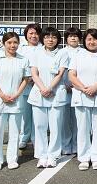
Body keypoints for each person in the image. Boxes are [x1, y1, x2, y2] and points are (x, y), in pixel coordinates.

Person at [68, 28, 97, 170]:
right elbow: (71, 75)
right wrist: (84, 89)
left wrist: (94, 88)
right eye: (89, 39)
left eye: (95, 39)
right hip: (82, 95)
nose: (92, 41)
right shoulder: (78, 55)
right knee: (83, 129)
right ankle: (83, 158)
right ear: (84, 41)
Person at [0, 32, 31, 171]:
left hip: (16, 100)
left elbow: (25, 79)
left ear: (19, 44)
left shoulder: (23, 59)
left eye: (15, 42)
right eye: (9, 42)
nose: (12, 45)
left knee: (15, 133)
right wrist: (2, 95)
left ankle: (12, 159)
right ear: (3, 44)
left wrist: (16, 94)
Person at [27, 27, 69, 168]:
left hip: (56, 93)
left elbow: (60, 74)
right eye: (47, 37)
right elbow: (34, 73)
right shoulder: (36, 53)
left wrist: (49, 88)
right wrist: (43, 89)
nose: (50, 40)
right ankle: (42, 155)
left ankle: (53, 156)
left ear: (58, 39)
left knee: (56, 126)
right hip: (39, 93)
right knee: (39, 126)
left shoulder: (63, 53)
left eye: (53, 37)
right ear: (42, 39)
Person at [18, 23, 41, 149]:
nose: (34, 36)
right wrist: (27, 77)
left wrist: (36, 78)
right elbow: (18, 66)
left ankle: (36, 138)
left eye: (36, 33)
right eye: (31, 33)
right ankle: (24, 137)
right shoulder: (20, 49)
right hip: (25, 86)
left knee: (38, 116)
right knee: (25, 115)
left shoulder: (43, 49)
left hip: (39, 86)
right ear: (26, 35)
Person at [62, 27, 82, 155]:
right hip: (64, 89)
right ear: (66, 39)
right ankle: (65, 145)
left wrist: (76, 85)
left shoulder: (84, 52)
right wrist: (65, 85)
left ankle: (76, 144)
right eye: (70, 36)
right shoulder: (61, 52)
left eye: (75, 36)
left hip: (79, 89)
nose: (73, 38)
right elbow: (58, 72)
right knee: (64, 120)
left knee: (77, 120)